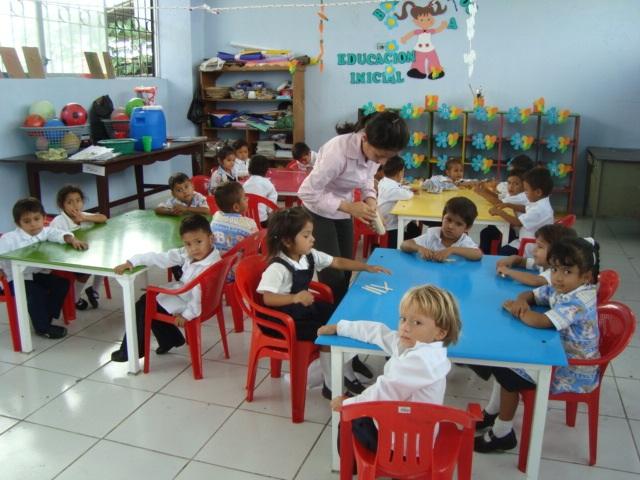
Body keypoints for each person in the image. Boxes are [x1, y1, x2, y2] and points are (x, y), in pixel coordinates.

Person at [472, 237, 600, 453]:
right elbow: (532, 294)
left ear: (586, 276)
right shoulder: (563, 288)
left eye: (567, 272)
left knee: (507, 371)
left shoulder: (578, 301)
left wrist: (516, 309)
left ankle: (503, 433)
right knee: (503, 359)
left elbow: (541, 321)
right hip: (554, 350)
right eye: (555, 269)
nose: (558, 277)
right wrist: (522, 301)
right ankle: (492, 412)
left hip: (570, 369)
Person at [257, 207, 391, 398]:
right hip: (284, 319)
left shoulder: (308, 255)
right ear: (287, 241)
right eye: (306, 235)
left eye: (311, 234)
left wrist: (366, 267)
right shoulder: (277, 267)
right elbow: (267, 298)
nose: (312, 239)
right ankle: (331, 386)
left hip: (302, 308)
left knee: (344, 318)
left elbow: (336, 261)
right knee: (330, 334)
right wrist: (295, 297)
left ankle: (344, 371)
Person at [319, 284, 461, 453]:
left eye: (417, 322)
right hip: (415, 432)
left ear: (440, 333)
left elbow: (383, 391)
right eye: (403, 319)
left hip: (403, 443)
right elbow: (380, 333)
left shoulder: (421, 361)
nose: (405, 327)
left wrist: (348, 403)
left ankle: (353, 468)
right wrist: (341, 328)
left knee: (348, 421)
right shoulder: (419, 346)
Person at [297, 110, 409, 303]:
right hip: (318, 211)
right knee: (332, 274)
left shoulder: (374, 152)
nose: (381, 162)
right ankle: (329, 317)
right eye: (379, 155)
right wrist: (348, 207)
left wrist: (371, 201)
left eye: (387, 158)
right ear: (364, 138)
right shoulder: (337, 152)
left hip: (343, 210)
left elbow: (366, 181)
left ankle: (341, 309)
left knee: (347, 267)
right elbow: (306, 192)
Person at [110, 214, 221, 362]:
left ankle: (129, 352)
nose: (193, 248)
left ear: (211, 238)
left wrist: (187, 315)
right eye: (188, 244)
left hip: (191, 305)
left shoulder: (207, 269)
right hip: (190, 299)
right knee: (148, 302)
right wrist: (133, 261)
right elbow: (161, 257)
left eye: (198, 242)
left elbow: (197, 298)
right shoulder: (202, 255)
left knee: (143, 305)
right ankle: (170, 339)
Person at [0, 197, 87, 339]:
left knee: (62, 283)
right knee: (36, 293)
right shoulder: (9, 239)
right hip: (14, 279)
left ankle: (45, 317)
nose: (33, 225)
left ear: (43, 218)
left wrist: (71, 239)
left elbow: (56, 233)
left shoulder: (44, 231)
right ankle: (43, 328)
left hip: (35, 275)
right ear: (18, 223)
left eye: (36, 219)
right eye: (27, 221)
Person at [50, 185, 108, 309]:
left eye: (78, 200)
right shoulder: (58, 221)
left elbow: (103, 218)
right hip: (65, 258)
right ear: (62, 205)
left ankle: (94, 290)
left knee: (105, 260)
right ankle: (75, 299)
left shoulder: (82, 215)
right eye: (70, 202)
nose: (75, 205)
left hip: (82, 254)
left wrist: (85, 217)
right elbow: (54, 238)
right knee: (86, 269)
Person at [489, 167, 554, 256]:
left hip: (530, 246)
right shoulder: (540, 202)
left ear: (538, 192)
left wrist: (499, 212)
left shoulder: (539, 209)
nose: (525, 194)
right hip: (525, 239)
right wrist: (508, 205)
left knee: (503, 252)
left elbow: (517, 222)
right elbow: (525, 208)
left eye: (526, 191)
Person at [400, 196, 483, 262]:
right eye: (448, 220)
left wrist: (452, 250)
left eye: (458, 224)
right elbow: (404, 245)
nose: (450, 226)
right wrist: (419, 248)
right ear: (442, 218)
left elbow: (478, 254)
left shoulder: (463, 240)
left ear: (467, 228)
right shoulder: (433, 235)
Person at [496, 224, 577, 287]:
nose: (534, 250)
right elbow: (521, 261)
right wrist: (510, 260)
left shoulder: (556, 271)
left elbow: (536, 280)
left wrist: (508, 272)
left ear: (556, 252)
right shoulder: (544, 264)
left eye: (540, 247)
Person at [477, 169, 528, 253]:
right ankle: (484, 256)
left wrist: (481, 192)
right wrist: (485, 189)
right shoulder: (513, 194)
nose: (511, 186)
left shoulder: (520, 197)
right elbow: (498, 197)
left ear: (523, 186)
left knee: (490, 236)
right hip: (510, 224)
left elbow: (499, 203)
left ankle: (487, 257)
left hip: (516, 232)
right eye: (509, 183)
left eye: (516, 184)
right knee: (486, 232)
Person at [376, 155, 421, 247]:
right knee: (414, 232)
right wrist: (411, 191)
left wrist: (408, 187)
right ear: (399, 173)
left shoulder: (384, 181)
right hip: (391, 226)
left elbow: (399, 187)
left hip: (389, 219)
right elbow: (407, 195)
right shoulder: (392, 189)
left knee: (414, 229)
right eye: (403, 171)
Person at [210, 182, 258, 258]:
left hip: (217, 261)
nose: (247, 199)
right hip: (237, 263)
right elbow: (255, 244)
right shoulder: (250, 224)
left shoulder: (216, 216)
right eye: (244, 198)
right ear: (236, 207)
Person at [242, 154, 278, 227]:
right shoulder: (268, 184)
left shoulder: (245, 184)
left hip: (245, 221)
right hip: (262, 222)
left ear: (249, 169)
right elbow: (271, 207)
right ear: (266, 170)